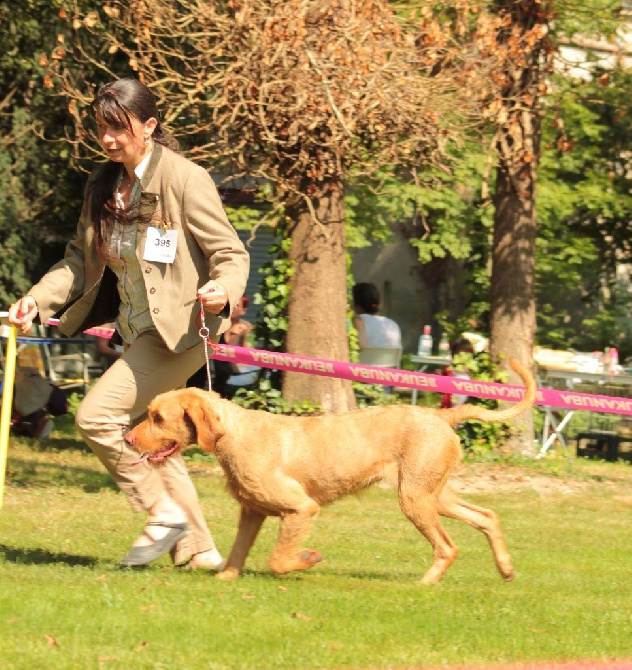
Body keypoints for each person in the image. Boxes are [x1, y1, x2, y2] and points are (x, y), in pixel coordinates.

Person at [8, 78, 249, 570]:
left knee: (96, 417)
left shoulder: (184, 179)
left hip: (179, 334)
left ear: (150, 126)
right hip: (138, 331)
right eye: (103, 128)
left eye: (120, 127)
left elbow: (230, 251)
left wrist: (224, 288)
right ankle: (198, 548)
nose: (110, 139)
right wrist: (35, 300)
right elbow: (78, 260)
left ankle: (161, 514)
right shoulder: (103, 186)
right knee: (157, 440)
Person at [351, 282, 401, 349]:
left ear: (356, 305)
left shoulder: (358, 321)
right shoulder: (393, 324)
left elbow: (360, 346)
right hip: (391, 360)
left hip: (364, 359)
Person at [440, 337, 475, 409]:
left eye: (467, 353)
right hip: (450, 408)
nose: (463, 357)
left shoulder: (474, 370)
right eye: (459, 354)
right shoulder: (449, 370)